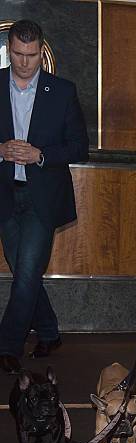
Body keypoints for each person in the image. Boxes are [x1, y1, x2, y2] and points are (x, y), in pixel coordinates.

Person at [0, 20, 89, 374]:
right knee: (27, 272)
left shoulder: (63, 90)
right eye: (18, 55)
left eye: (32, 55)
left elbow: (79, 147)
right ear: (9, 49)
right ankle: (49, 333)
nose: (25, 63)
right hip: (6, 196)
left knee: (24, 276)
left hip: (43, 200)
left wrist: (40, 155)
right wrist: (1, 149)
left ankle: (8, 345)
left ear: (42, 50)